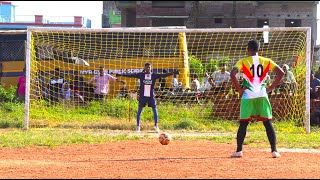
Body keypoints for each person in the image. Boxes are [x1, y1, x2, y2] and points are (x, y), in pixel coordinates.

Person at [229, 39, 284, 158]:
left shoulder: (243, 61)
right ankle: (274, 151)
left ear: (247, 50)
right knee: (267, 123)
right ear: (260, 50)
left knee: (243, 123)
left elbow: (232, 74)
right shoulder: (266, 61)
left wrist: (239, 89)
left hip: (248, 95)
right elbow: (281, 73)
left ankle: (239, 151)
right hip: (262, 95)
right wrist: (271, 87)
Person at [116, 62, 179, 133]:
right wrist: (121, 74)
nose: (148, 68)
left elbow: (163, 74)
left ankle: (156, 126)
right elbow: (131, 75)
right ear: (144, 68)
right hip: (143, 96)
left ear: (151, 68)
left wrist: (172, 73)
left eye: (149, 67)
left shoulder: (154, 75)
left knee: (155, 110)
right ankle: (138, 127)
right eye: (147, 67)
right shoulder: (141, 75)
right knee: (139, 111)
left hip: (151, 96)